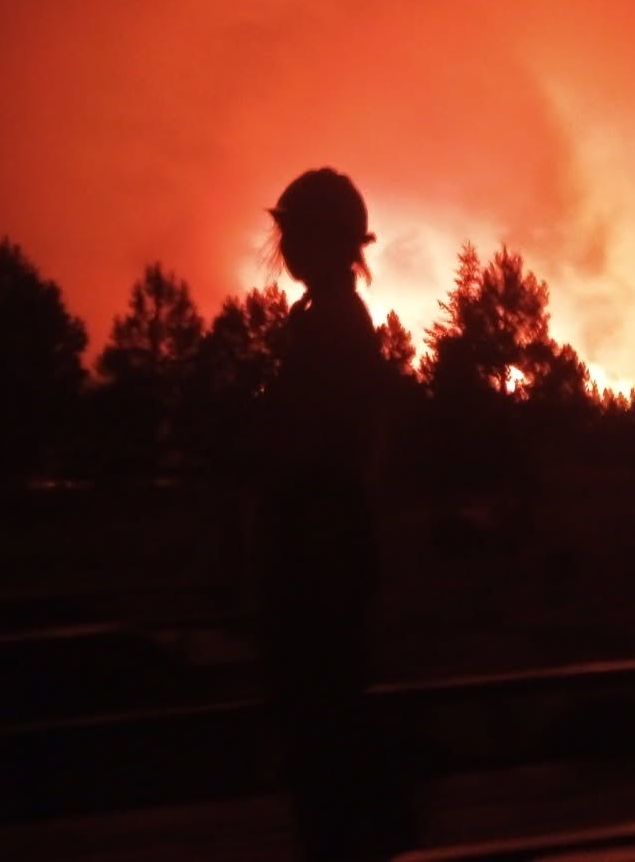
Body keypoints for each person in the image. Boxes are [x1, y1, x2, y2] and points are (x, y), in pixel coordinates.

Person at [258, 167, 397, 859]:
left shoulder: (334, 327)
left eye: (294, 234)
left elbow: (325, 456)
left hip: (323, 563)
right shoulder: (323, 319)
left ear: (328, 243)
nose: (284, 248)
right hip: (322, 557)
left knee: (324, 740)